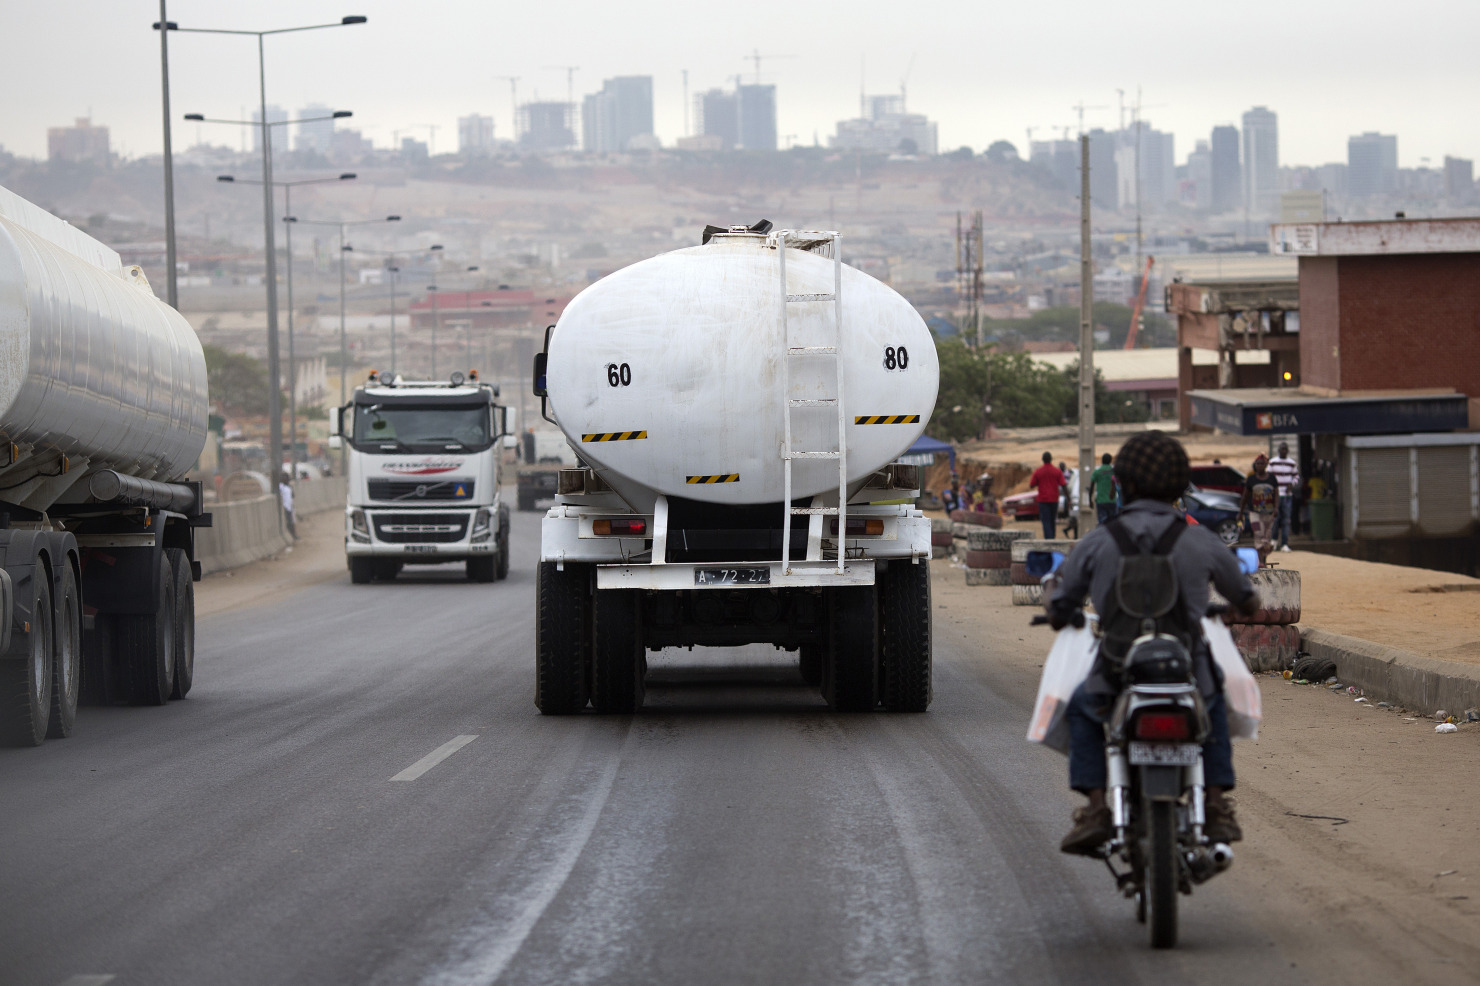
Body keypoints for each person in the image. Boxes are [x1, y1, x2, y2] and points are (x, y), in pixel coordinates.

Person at [1047, 431, 1257, 855]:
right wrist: (1245, 601)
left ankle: (1097, 808)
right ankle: (1215, 806)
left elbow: (1062, 602)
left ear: (1121, 483)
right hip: (1188, 668)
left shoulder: (1097, 542)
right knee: (1214, 706)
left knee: (1083, 708)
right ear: (1181, 487)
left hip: (1117, 669)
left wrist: (1057, 605)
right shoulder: (1202, 540)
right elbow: (1245, 597)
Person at [1239, 454, 1279, 566]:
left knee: (1266, 537)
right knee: (1258, 534)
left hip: (1269, 513)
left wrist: (1276, 508)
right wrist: (1240, 512)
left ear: (1266, 465)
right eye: (1257, 464)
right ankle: (1260, 561)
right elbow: (1245, 496)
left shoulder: (1272, 478)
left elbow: (1276, 495)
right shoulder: (1251, 479)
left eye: (1262, 464)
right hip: (1255, 512)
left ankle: (1263, 559)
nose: (1259, 466)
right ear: (1255, 465)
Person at [1267, 443, 1299, 551]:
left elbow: (1296, 476)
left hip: (1287, 496)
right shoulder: (1272, 462)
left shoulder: (1292, 463)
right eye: (1282, 449)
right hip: (1275, 496)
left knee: (1286, 520)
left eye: (1285, 449)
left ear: (1288, 451)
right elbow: (1268, 476)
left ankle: (1284, 544)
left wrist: (1292, 484)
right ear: (1278, 450)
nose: (1283, 451)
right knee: (1275, 519)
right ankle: (1274, 541)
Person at [1029, 451, 1067, 539]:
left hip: (1043, 500)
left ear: (1042, 460)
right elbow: (1064, 485)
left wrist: (1040, 482)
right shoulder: (1057, 471)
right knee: (1052, 520)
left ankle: (1048, 540)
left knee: (1046, 521)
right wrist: (1069, 499)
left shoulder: (1038, 471)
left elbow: (1031, 485)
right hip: (1054, 499)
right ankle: (1052, 538)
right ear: (1051, 459)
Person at [1091, 452, 1119, 526]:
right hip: (1112, 501)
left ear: (1102, 461)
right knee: (1112, 524)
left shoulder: (1097, 472)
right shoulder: (1114, 472)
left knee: (1102, 523)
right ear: (1110, 461)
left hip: (1101, 501)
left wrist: (1090, 500)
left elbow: (1091, 486)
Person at [279, 471, 298, 542]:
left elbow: (293, 495)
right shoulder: (281, 486)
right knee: (288, 522)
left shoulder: (288, 486)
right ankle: (291, 535)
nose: (285, 479)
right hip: (285, 507)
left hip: (290, 506)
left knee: (292, 521)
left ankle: (294, 535)